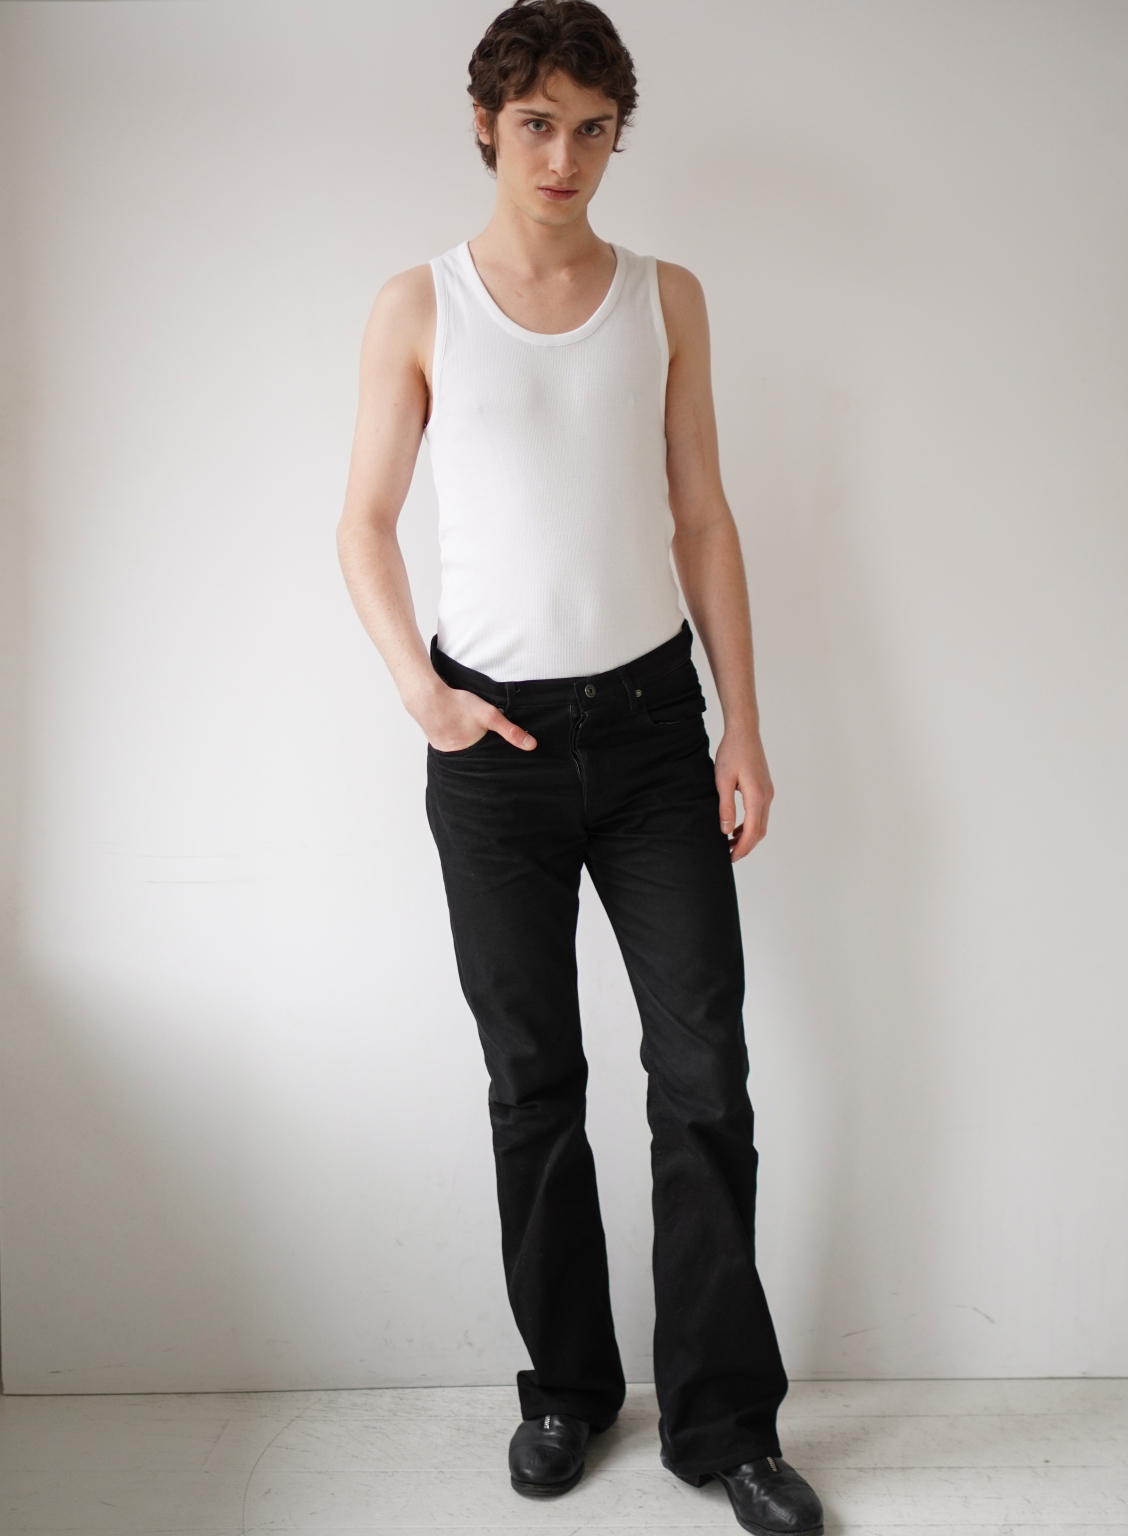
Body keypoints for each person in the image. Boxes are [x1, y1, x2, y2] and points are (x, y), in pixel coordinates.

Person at [337, 3, 823, 1531]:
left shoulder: (667, 298)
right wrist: (422, 693)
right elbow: (362, 523)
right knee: (534, 1082)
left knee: (704, 1075)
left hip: (656, 733)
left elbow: (704, 516)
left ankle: (724, 1423)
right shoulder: (417, 305)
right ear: (488, 124)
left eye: (593, 127)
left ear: (618, 135)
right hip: (495, 754)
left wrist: (743, 723)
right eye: (538, 123)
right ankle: (565, 1392)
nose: (564, 156)